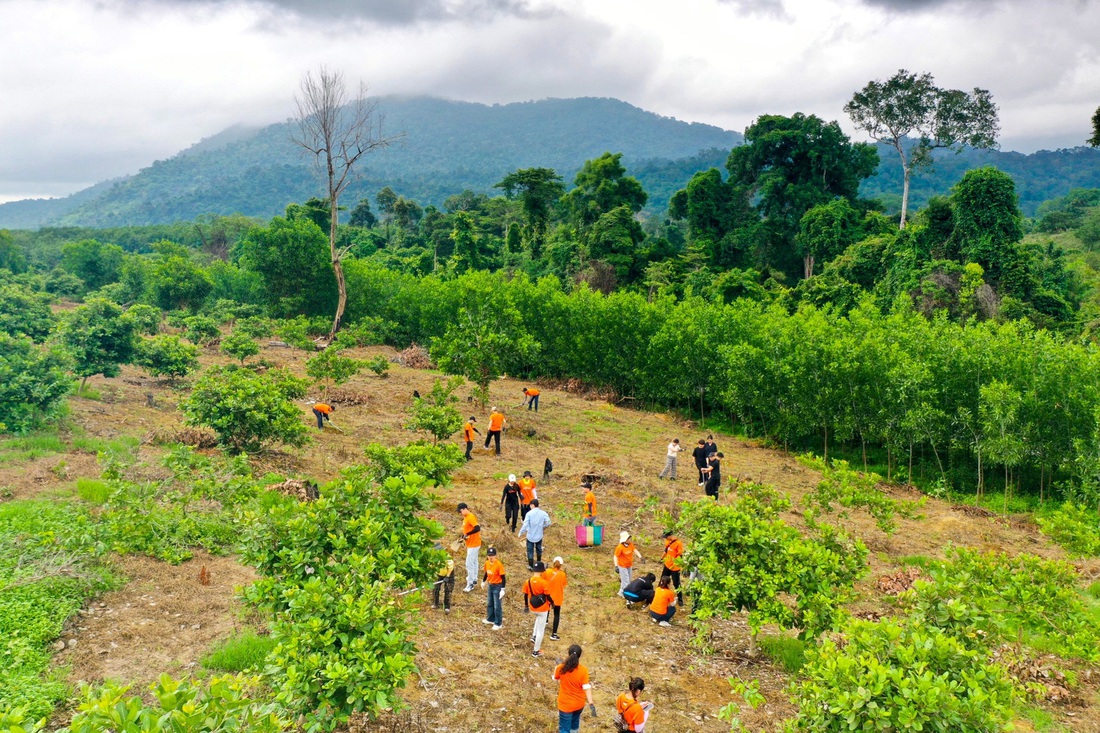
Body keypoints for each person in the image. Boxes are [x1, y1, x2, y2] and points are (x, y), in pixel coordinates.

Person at [553, 644, 596, 733]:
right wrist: (591, 703)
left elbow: (555, 678)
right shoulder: (583, 670)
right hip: (579, 704)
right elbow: (586, 688)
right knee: (575, 723)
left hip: (565, 705)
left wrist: (557, 666)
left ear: (568, 654)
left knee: (564, 728)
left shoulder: (561, 668)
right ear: (579, 656)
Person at [523, 561, 553, 657]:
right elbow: (548, 596)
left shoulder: (528, 581)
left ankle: (533, 636)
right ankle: (536, 651)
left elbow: (525, 594)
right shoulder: (544, 583)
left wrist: (526, 606)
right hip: (542, 609)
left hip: (532, 607)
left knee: (537, 619)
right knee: (541, 629)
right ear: (541, 571)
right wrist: (553, 603)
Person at [518, 498, 552, 569]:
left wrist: (521, 532)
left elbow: (525, 524)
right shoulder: (543, 513)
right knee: (538, 549)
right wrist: (543, 526)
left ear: (532, 505)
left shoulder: (529, 514)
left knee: (530, 550)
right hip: (539, 535)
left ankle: (530, 565)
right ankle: (539, 563)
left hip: (530, 536)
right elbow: (548, 522)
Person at [457, 503, 482, 592]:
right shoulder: (466, 517)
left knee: (469, 563)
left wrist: (468, 534)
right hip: (471, 543)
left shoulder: (470, 517)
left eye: (460, 511)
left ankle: (470, 583)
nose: (460, 513)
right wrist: (464, 535)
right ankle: (474, 578)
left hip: (474, 544)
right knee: (474, 561)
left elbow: (477, 528)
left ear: (464, 509)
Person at [481, 546, 506, 630]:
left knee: (497, 605)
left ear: (495, 556)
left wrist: (502, 589)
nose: (491, 557)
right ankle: (490, 619)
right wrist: (483, 581)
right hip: (490, 584)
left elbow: (503, 577)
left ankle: (498, 623)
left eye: (492, 555)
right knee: (489, 603)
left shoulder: (499, 565)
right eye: (489, 555)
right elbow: (486, 573)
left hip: (497, 586)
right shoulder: (487, 563)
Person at [543, 557, 568, 640]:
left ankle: (545, 622)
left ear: (553, 563)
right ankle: (554, 634)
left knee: (546, 610)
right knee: (556, 615)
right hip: (557, 597)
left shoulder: (547, 571)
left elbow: (542, 580)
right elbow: (564, 584)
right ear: (561, 565)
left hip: (547, 596)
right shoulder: (562, 574)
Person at [613, 531, 643, 596]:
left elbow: (635, 550)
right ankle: (625, 594)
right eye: (628, 538)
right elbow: (615, 556)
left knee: (628, 579)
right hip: (622, 566)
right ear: (625, 540)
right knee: (626, 581)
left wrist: (640, 557)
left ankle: (621, 593)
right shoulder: (620, 547)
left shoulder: (630, 545)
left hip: (629, 565)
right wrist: (616, 566)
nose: (629, 539)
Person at [660, 530, 684, 605]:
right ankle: (660, 594)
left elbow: (680, 556)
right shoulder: (668, 542)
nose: (665, 539)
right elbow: (666, 550)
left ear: (670, 535)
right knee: (662, 579)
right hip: (667, 565)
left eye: (666, 537)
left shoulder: (678, 544)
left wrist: (675, 564)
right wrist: (661, 558)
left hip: (675, 568)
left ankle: (680, 599)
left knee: (676, 583)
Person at [432, 543, 454, 612]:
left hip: (448, 574)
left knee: (448, 590)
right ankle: (436, 603)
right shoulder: (434, 557)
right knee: (435, 588)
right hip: (438, 573)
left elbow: (450, 567)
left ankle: (447, 606)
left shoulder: (447, 557)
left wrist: (447, 577)